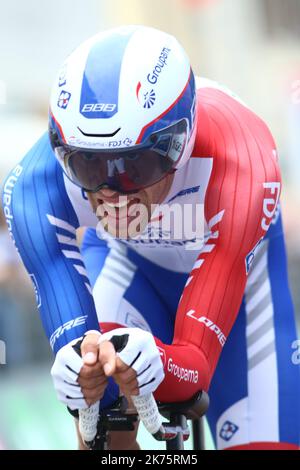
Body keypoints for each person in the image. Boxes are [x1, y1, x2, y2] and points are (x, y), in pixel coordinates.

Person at [2, 25, 299, 450]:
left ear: (180, 141)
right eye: (88, 166)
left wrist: (160, 362)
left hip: (243, 290)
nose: (112, 192)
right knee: (102, 431)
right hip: (128, 266)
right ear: (61, 150)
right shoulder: (34, 187)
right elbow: (91, 398)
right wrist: (83, 380)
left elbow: (193, 369)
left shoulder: (242, 164)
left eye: (135, 166)